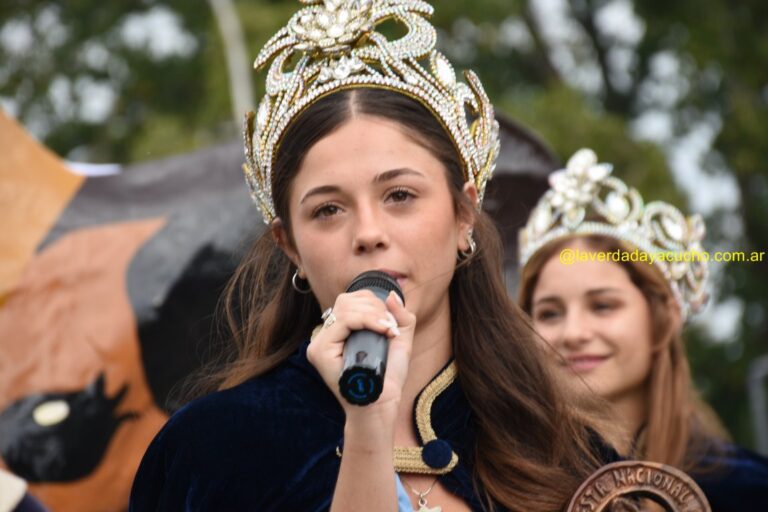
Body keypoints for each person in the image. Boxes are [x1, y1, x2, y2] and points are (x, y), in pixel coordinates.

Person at [128, 2, 625, 511]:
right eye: (328, 209)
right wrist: (367, 421)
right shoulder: (211, 452)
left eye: (400, 196)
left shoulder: (567, 457)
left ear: (463, 215)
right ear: (290, 246)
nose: (368, 233)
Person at [517, 148, 768, 511]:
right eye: (550, 313)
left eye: (603, 305)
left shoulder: (746, 490)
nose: (573, 333)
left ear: (661, 318)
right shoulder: (500, 481)